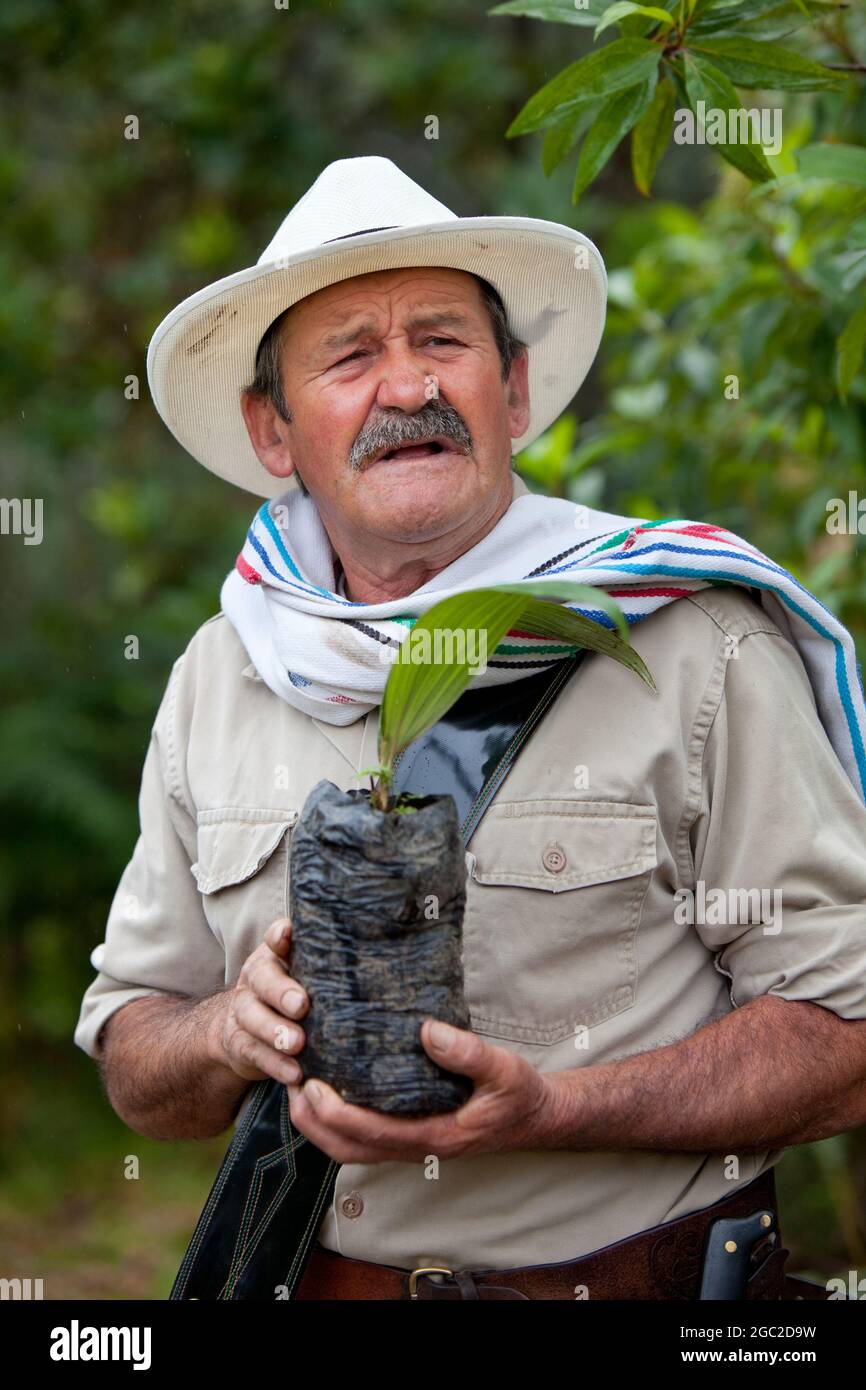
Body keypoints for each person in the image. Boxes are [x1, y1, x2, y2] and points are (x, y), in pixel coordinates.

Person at [75, 156, 866, 1300]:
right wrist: (219, 1035)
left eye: (441, 341)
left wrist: (557, 1111)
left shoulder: (687, 636)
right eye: (348, 355)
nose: (406, 388)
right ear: (273, 430)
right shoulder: (221, 670)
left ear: (515, 388)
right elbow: (137, 1054)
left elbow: (846, 1030)